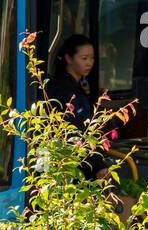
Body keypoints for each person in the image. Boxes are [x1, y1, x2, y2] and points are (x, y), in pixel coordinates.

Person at [44, 34, 110, 179]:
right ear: (68, 58)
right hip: (69, 168)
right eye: (84, 58)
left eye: (92, 58)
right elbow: (79, 131)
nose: (89, 63)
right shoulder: (64, 91)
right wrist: (99, 166)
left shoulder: (77, 87)